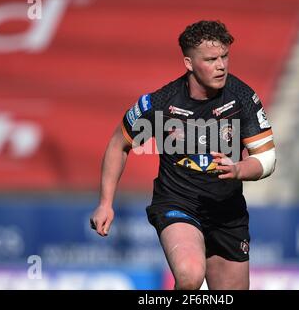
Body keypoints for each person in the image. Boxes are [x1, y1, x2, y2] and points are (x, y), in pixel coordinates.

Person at [90, 20, 276, 290]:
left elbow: (267, 159)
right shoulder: (161, 104)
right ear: (189, 63)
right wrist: (105, 203)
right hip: (178, 203)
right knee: (190, 276)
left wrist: (238, 170)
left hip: (227, 213)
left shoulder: (242, 98)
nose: (221, 65)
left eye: (225, 56)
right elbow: (119, 144)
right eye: (211, 59)